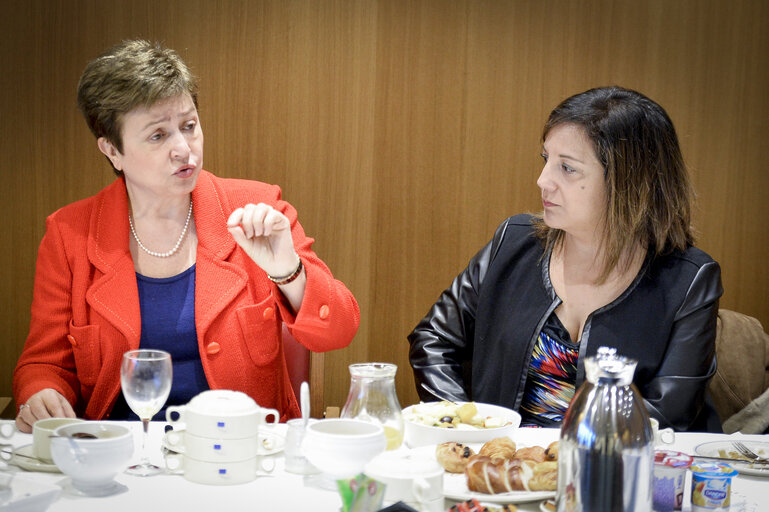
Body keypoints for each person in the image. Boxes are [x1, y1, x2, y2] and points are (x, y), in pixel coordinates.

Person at [13, 40, 360, 433]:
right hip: (121, 455)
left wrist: (288, 271)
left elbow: (340, 330)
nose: (184, 149)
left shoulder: (259, 209)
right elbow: (43, 364)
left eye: (189, 126)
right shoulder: (69, 234)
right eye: (158, 136)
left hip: (242, 452)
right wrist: (42, 392)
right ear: (113, 150)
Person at [408, 86, 723, 432]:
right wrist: (463, 426)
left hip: (614, 473)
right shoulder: (513, 242)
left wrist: (568, 457)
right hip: (507, 468)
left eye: (567, 169)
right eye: (546, 160)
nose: (543, 181)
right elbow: (434, 338)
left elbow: (667, 415)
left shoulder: (691, 280)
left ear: (630, 184)